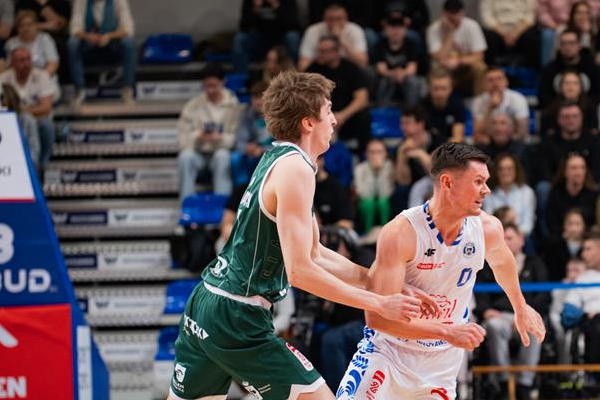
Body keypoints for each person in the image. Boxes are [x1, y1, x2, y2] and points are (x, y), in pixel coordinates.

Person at [167, 71, 428, 400]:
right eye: (328, 110)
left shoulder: (279, 157)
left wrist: (379, 282)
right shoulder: (296, 169)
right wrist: (378, 303)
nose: (334, 120)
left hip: (208, 302)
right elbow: (300, 271)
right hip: (238, 313)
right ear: (308, 122)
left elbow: (315, 253)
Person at [337, 142, 546, 400]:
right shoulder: (402, 232)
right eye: (478, 182)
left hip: (441, 365)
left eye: (486, 181)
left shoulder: (488, 229)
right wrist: (447, 331)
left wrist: (520, 307)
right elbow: (378, 319)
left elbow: (503, 264)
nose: (487, 190)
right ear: (447, 183)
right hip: (390, 354)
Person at [475, 223, 549, 400]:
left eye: (509, 238)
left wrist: (525, 314)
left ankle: (524, 384)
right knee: (494, 326)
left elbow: (544, 294)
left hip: (527, 312)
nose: (506, 242)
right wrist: (486, 311)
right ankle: (504, 383)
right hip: (499, 315)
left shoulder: (535, 263)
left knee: (534, 328)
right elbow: (481, 293)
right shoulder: (488, 264)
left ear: (521, 240)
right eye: (502, 239)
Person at [177, 63, 241, 200]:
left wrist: (220, 138)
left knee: (222, 156)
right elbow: (183, 139)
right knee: (185, 157)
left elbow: (237, 138)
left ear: (223, 82)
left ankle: (223, 205)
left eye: (214, 86)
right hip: (198, 154)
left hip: (221, 152)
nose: (210, 90)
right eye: (207, 86)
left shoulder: (234, 105)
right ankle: (186, 204)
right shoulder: (192, 105)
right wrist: (198, 136)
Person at [68, 0, 136, 104]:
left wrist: (109, 36)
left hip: (112, 43)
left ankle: (128, 88)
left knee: (129, 42)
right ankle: (79, 89)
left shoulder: (119, 1)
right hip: (88, 43)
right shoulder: (81, 1)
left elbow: (128, 29)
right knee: (73, 43)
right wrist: (88, 36)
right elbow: (74, 29)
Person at [0, 47, 56, 168]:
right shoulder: (3, 78)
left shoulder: (42, 76)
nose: (26, 63)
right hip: (10, 120)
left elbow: (46, 108)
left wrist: (21, 111)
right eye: (22, 60)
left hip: (35, 119)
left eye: (28, 59)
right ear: (13, 63)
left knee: (45, 125)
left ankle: (39, 166)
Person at [426, 0, 487, 96]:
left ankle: (479, 100)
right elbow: (439, 57)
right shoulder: (433, 29)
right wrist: (450, 32)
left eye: (456, 13)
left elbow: (479, 56)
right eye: (450, 13)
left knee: (481, 68)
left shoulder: (472, 26)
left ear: (462, 13)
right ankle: (443, 102)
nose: (453, 17)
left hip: (465, 67)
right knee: (436, 72)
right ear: (443, 14)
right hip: (444, 68)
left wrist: (459, 61)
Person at [298, 3, 368, 71]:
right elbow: (302, 66)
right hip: (320, 70)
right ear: (324, 19)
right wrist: (322, 58)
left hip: (349, 71)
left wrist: (341, 41)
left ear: (346, 18)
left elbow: (363, 62)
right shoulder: (313, 30)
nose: (335, 22)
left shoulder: (355, 30)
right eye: (331, 19)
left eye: (339, 18)